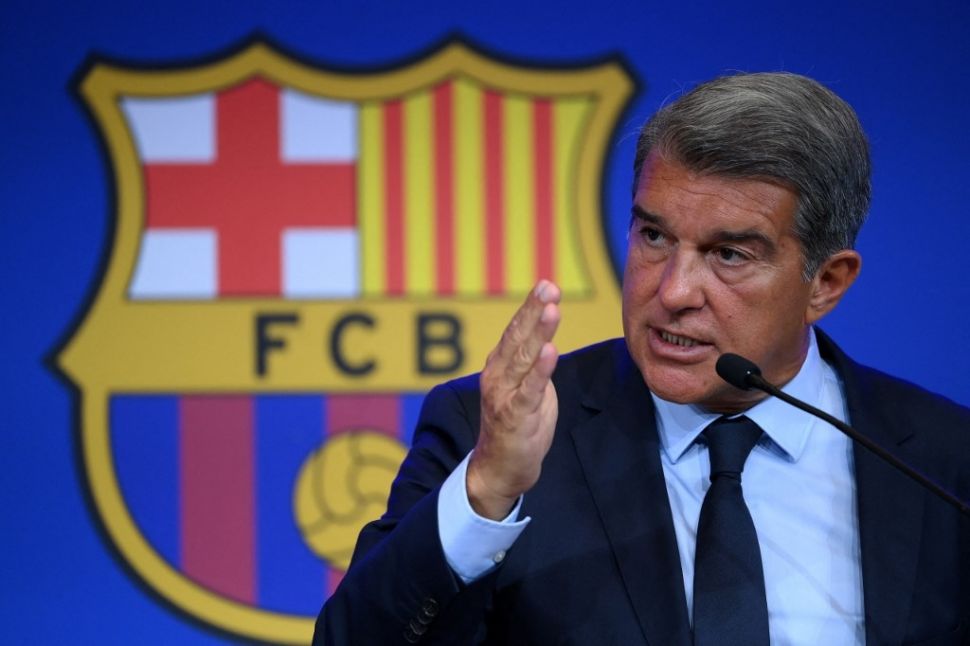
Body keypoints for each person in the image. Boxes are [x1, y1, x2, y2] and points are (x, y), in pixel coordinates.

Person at [313, 72, 970, 645]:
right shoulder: (494, 433)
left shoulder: (940, 462)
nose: (673, 292)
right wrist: (485, 492)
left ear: (826, 283)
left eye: (729, 255)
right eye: (654, 235)